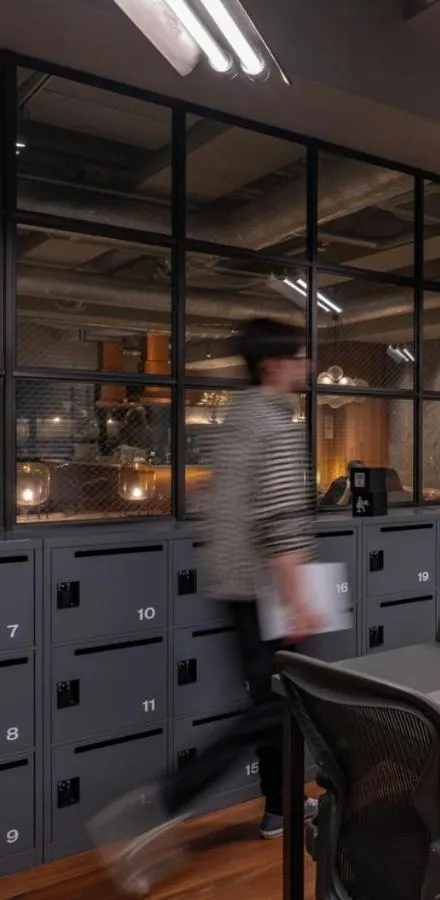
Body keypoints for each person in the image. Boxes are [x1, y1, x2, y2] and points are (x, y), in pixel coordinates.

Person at [89, 318, 323, 896]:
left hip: (230, 583)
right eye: (298, 360)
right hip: (267, 587)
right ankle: (162, 803)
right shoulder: (274, 421)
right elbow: (281, 516)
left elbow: (212, 497)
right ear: (274, 366)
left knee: (268, 701)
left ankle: (280, 808)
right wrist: (300, 600)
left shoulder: (233, 418)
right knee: (274, 706)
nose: (305, 369)